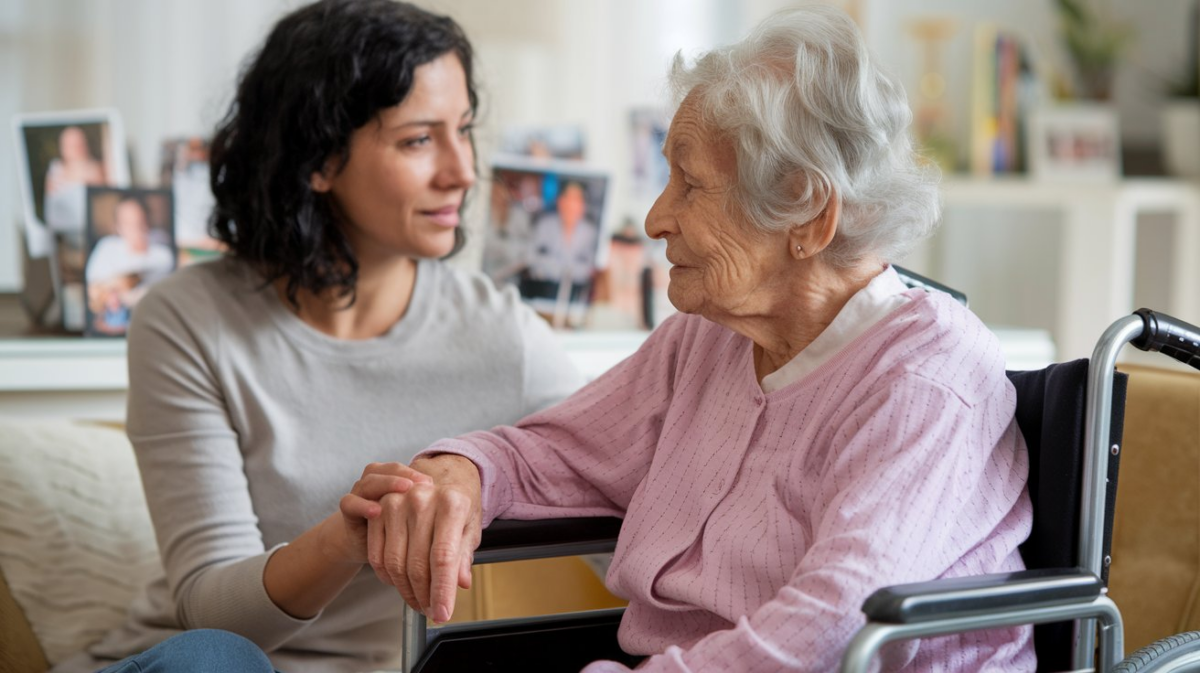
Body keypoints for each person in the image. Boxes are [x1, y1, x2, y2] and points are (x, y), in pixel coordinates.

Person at [352, 6, 1035, 672]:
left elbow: (833, 622)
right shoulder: (706, 340)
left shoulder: (926, 377)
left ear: (807, 214)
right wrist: (464, 471)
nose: (655, 218)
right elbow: (552, 454)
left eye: (690, 185)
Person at [54, 1, 581, 671]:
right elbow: (212, 613)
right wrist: (345, 537)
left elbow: (630, 479)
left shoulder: (505, 338)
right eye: (419, 139)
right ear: (320, 160)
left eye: (464, 130)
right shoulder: (187, 318)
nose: (462, 171)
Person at [85, 195, 175, 299]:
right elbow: (93, 290)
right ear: (118, 227)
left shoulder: (162, 252)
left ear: (147, 221)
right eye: (128, 222)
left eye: (139, 220)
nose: (135, 227)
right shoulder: (107, 247)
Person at [43, 125, 106, 234]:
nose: (76, 148)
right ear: (63, 148)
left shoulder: (96, 169)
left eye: (79, 144)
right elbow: (50, 207)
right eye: (71, 145)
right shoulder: (55, 169)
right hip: (60, 232)